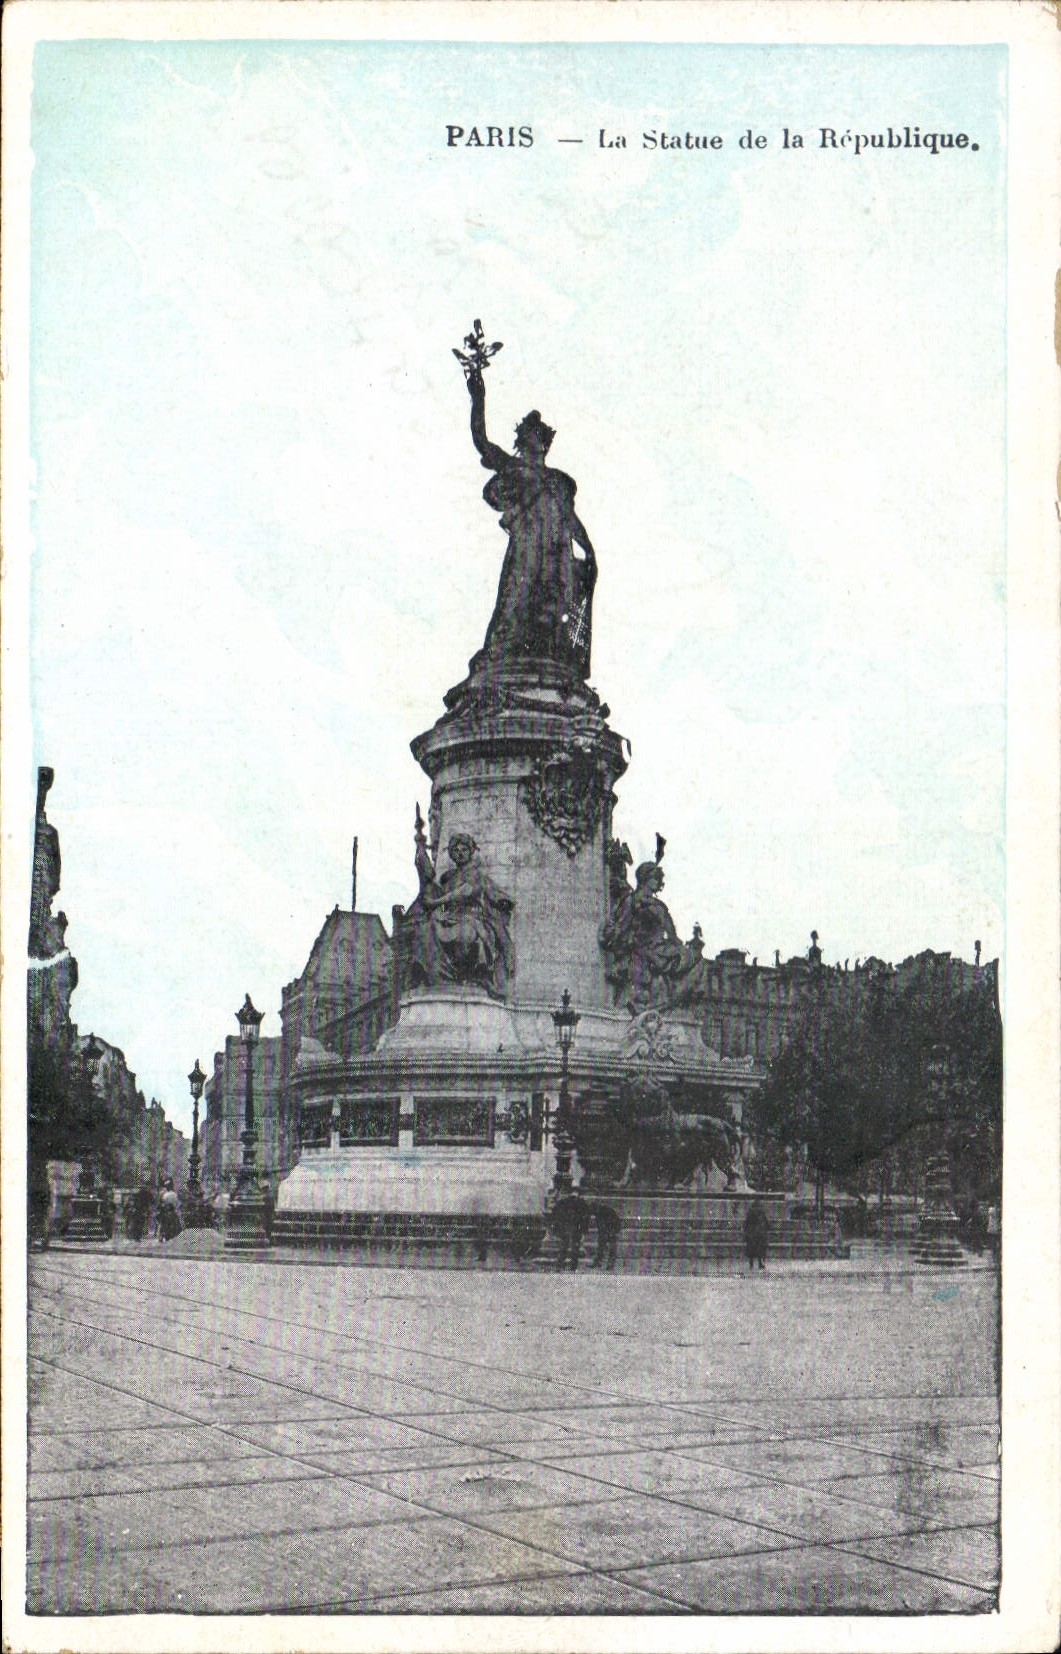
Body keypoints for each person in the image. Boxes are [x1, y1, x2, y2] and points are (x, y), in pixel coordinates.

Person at [465, 365, 598, 677]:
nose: (539, 442)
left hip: (556, 552)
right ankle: (503, 656)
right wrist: (478, 398)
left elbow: (571, 519)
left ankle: (548, 661)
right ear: (524, 440)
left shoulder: (558, 481)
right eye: (533, 435)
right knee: (515, 600)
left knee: (554, 607)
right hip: (528, 548)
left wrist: (588, 549)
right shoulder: (514, 468)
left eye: (542, 437)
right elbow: (482, 441)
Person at [550, 1189, 591, 1270]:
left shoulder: (563, 1202)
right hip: (576, 1227)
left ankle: (560, 1264)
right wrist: (584, 1230)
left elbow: (555, 1212)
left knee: (564, 1246)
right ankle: (573, 1266)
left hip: (566, 1226)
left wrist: (557, 1226)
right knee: (574, 1247)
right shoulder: (582, 1203)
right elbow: (586, 1218)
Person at [743, 1199, 770, 1272]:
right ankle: (761, 1263)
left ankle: (751, 1263)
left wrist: (745, 1230)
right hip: (760, 1232)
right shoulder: (762, 1212)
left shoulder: (750, 1212)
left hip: (751, 1233)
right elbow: (766, 1222)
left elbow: (746, 1222)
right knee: (761, 1249)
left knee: (751, 1249)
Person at [157, 1178, 182, 1242]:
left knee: (162, 1224)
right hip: (171, 1211)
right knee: (175, 1222)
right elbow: (177, 1204)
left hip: (165, 1211)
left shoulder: (164, 1194)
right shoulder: (174, 1194)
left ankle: (161, 1236)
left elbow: (161, 1203)